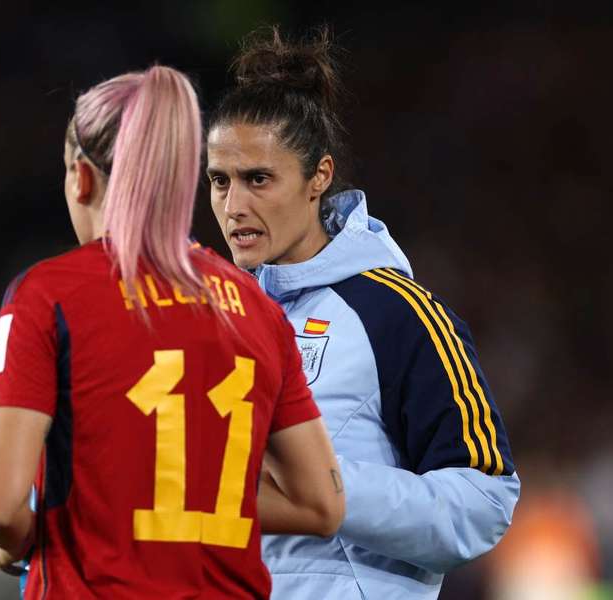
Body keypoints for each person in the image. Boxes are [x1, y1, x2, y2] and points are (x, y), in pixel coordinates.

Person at [0, 64, 344, 599]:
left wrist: (29, 537)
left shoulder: (48, 294)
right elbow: (322, 505)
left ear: (80, 177)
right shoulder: (258, 311)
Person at [205, 27, 520, 599]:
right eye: (219, 181)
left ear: (318, 178)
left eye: (258, 179)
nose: (234, 206)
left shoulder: (397, 312)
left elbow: (485, 502)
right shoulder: (210, 320)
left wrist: (320, 488)